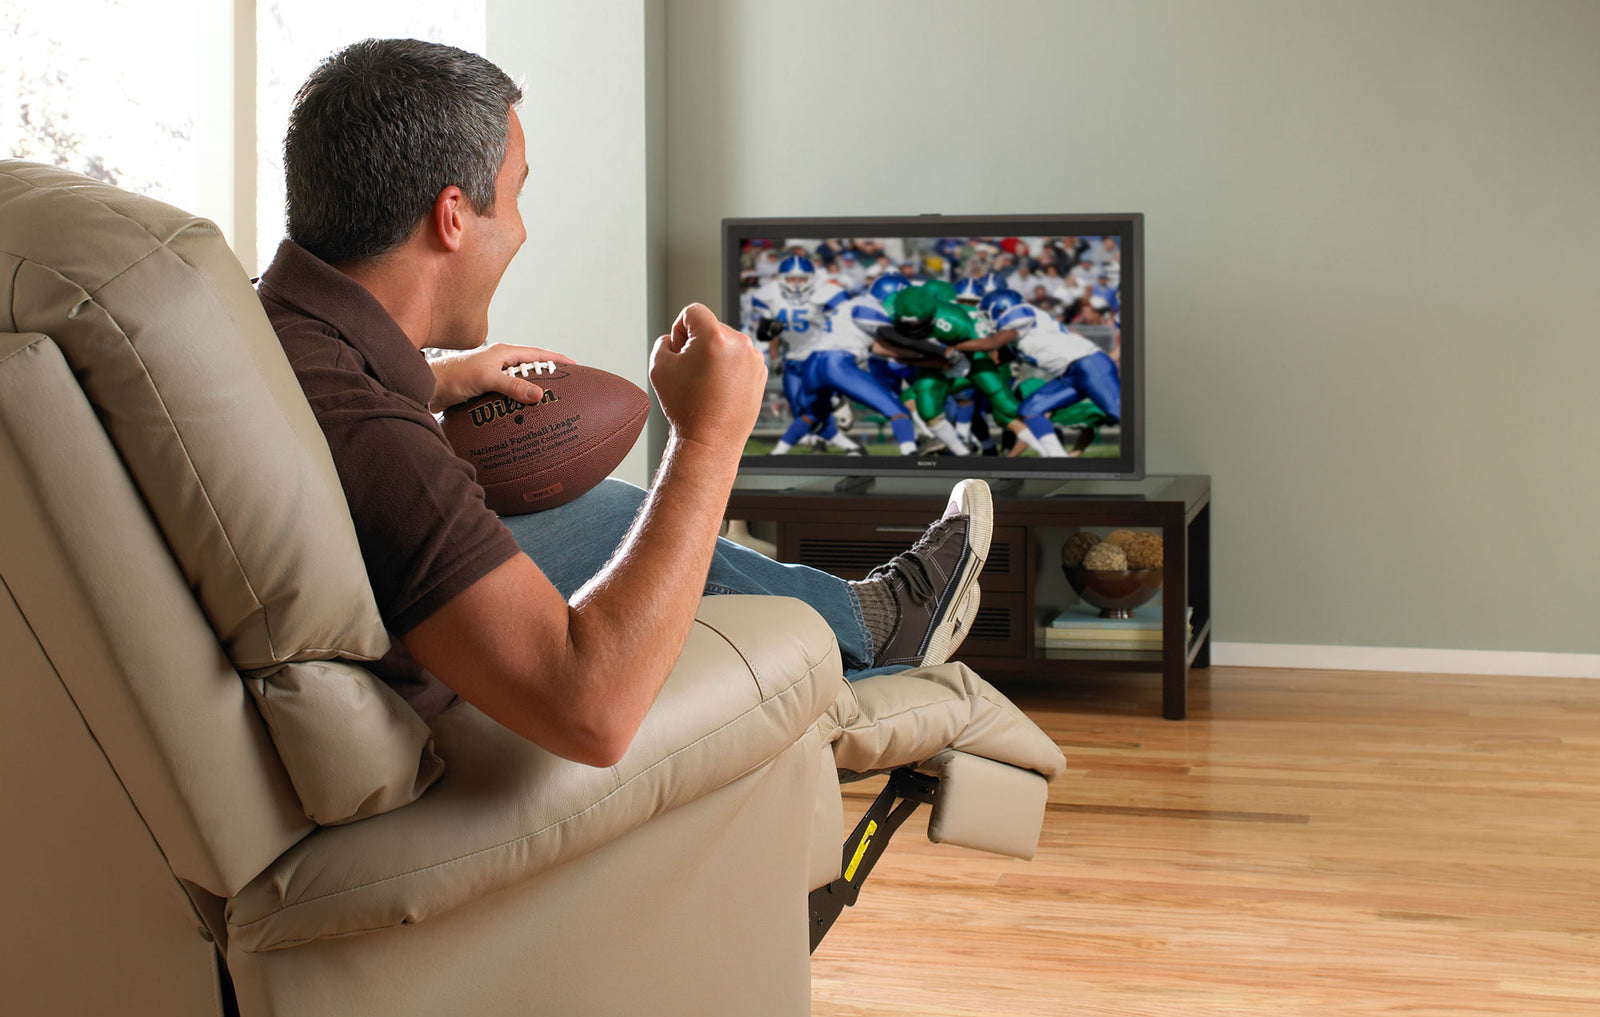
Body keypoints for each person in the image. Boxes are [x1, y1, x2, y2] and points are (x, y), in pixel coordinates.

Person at [256, 38, 990, 768]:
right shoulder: (376, 436)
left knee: (594, 508)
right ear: (452, 215)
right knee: (617, 516)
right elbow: (592, 711)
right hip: (458, 716)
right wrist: (706, 438)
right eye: (514, 194)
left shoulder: (278, 332)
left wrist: (431, 380)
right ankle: (877, 621)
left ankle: (871, 616)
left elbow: (350, 427)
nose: (519, 228)